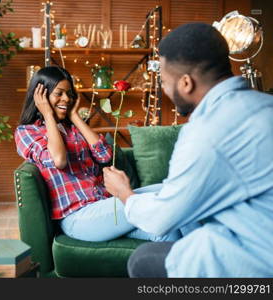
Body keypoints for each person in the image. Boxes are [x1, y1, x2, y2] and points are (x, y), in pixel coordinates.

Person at [103, 22, 273, 277]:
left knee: (144, 260)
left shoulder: (207, 131)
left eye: (163, 79)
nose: (163, 88)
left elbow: (162, 219)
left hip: (258, 261)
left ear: (185, 83)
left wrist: (125, 194)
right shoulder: (265, 104)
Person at [15, 66, 181, 242]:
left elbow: (105, 156)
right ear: (41, 96)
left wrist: (75, 118)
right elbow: (59, 160)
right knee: (166, 196)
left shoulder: (72, 128)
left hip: (103, 207)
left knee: (168, 226)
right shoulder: (26, 132)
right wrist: (48, 114)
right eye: (59, 93)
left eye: (69, 94)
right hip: (78, 217)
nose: (66, 99)